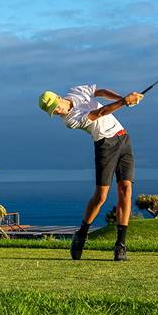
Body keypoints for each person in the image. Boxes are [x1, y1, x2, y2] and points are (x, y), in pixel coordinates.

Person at [38, 85, 143, 261]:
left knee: (126, 189)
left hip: (124, 138)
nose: (57, 112)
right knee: (101, 196)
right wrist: (124, 101)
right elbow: (100, 113)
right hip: (105, 146)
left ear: (58, 97)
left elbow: (100, 92)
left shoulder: (77, 90)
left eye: (55, 107)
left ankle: (120, 245)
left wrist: (123, 97)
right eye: (52, 112)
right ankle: (81, 234)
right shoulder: (70, 121)